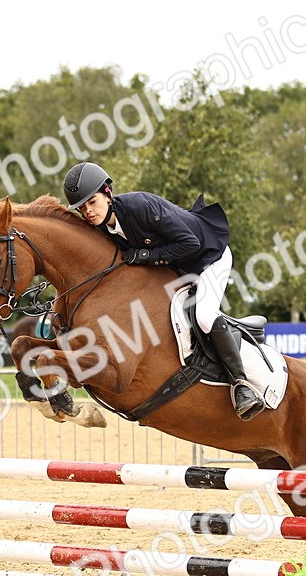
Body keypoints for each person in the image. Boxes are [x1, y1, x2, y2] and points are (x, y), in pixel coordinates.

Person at [62, 161, 265, 420]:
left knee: (203, 314)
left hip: (208, 256)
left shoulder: (141, 207)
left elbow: (189, 243)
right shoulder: (101, 227)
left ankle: (242, 385)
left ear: (108, 193)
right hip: (177, 266)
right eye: (82, 208)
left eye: (92, 202)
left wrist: (147, 255)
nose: (88, 212)